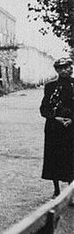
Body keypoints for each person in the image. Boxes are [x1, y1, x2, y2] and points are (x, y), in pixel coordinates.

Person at [40, 57, 74, 198]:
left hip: (71, 128)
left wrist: (72, 119)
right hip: (54, 128)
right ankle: (56, 190)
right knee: (53, 157)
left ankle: (71, 192)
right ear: (57, 70)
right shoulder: (50, 86)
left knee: (71, 158)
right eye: (63, 67)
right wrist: (55, 118)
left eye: (69, 67)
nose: (67, 69)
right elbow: (44, 108)